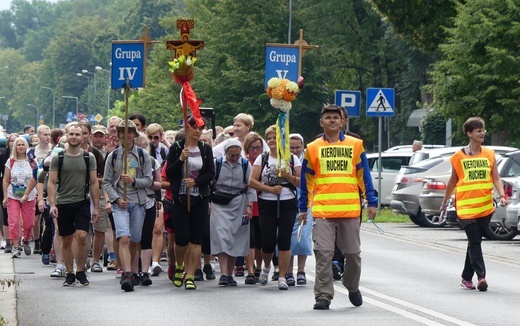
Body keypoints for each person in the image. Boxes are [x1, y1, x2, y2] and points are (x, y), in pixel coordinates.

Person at [299, 104, 377, 310]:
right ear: (321, 122)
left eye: (336, 117)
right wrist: (302, 208)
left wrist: (372, 201)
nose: (332, 120)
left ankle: (351, 285)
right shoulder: (312, 148)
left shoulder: (355, 145)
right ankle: (323, 296)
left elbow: (364, 176)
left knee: (352, 255)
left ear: (343, 122)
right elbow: (305, 181)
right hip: (323, 211)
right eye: (328, 118)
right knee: (323, 254)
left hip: (350, 210)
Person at [439, 117, 507, 292]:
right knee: (475, 241)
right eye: (478, 130)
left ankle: (465, 277)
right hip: (466, 208)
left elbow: (496, 178)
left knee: (474, 242)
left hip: (485, 207)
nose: (482, 133)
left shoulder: (489, 154)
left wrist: (502, 195)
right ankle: (481, 277)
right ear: (469, 134)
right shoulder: (458, 157)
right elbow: (453, 181)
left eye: (483, 130)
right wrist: (445, 202)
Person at [249, 125, 301, 290]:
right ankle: (266, 266)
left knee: (285, 240)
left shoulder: (292, 158)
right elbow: (252, 181)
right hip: (268, 202)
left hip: (287, 202)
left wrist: (286, 176)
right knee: (268, 241)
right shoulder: (262, 159)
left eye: (275, 137)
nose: (272, 141)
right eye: (269, 138)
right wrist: (270, 189)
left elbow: (301, 181)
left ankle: (283, 276)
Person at [47, 123, 100, 286]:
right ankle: (69, 273)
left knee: (83, 236)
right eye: (72, 134)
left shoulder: (88, 157)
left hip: (82, 202)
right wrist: (53, 204)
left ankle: (81, 271)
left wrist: (96, 207)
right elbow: (51, 181)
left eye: (78, 134)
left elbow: (93, 182)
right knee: (66, 239)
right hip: (63, 202)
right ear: (67, 135)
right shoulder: (59, 157)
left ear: (83, 136)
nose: (75, 137)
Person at [103, 119, 153, 292]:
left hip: (138, 203)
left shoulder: (142, 155)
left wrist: (133, 181)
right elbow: (107, 182)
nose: (126, 135)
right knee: (124, 237)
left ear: (134, 134)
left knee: (134, 240)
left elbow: (149, 180)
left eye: (129, 131)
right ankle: (127, 273)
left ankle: (132, 269)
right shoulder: (114, 156)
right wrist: (116, 199)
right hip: (120, 205)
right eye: (122, 132)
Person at [166, 115, 214, 290]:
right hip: (180, 198)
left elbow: (210, 173)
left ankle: (191, 274)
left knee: (196, 238)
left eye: (200, 128)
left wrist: (196, 182)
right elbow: (170, 173)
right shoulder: (176, 147)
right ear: (187, 128)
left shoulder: (206, 149)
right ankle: (179, 265)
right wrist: (180, 160)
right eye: (194, 127)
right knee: (182, 238)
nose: (198, 131)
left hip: (199, 198)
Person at [210, 139, 256, 286]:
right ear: (226, 153)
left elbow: (251, 185)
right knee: (222, 236)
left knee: (235, 238)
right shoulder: (217, 163)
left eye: (237, 155)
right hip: (219, 202)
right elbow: (208, 183)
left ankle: (230, 274)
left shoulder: (244, 164)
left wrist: (249, 205)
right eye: (231, 155)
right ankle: (223, 273)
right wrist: (208, 202)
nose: (234, 158)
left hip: (238, 202)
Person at [2, 136, 38, 258]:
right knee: (13, 221)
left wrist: (38, 195)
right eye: (18, 145)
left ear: (26, 146)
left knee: (28, 223)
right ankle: (16, 246)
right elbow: (6, 180)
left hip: (29, 195)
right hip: (13, 195)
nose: (21, 147)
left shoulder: (32, 161)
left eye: (23, 144)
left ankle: (26, 240)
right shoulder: (10, 161)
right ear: (15, 147)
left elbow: (37, 178)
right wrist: (5, 197)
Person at [287, 133, 312, 286]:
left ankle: (301, 271)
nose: (295, 150)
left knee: (303, 238)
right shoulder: (284, 160)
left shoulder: (308, 160)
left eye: (297, 147)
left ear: (302, 146)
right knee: (288, 237)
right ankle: (288, 271)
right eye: (291, 147)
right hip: (288, 202)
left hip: (306, 202)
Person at [242, 132, 264, 284]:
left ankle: (258, 267)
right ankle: (249, 270)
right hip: (248, 204)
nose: (256, 151)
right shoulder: (244, 163)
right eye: (253, 148)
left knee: (260, 240)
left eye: (258, 148)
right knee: (249, 239)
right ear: (247, 149)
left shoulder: (266, 161)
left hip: (263, 203)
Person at [28, 125, 52, 255]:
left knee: (48, 218)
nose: (47, 137)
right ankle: (37, 241)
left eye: (49, 134)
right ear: (39, 136)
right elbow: (32, 173)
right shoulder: (31, 153)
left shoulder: (53, 151)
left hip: (48, 187)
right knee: (36, 219)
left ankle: (46, 242)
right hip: (35, 187)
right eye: (45, 134)